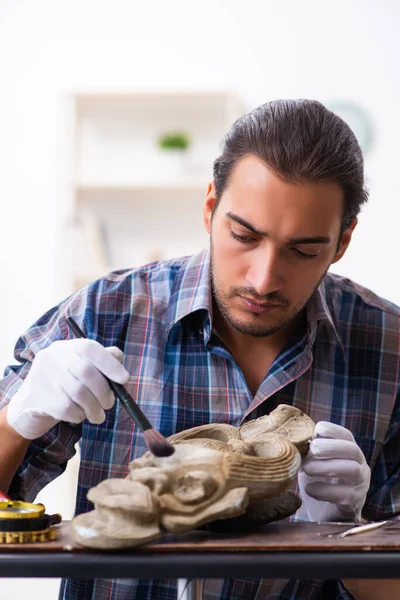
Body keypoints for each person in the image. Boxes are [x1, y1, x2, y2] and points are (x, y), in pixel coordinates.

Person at [0, 99, 399, 600]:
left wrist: (345, 535)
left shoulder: (390, 347)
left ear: (342, 242)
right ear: (210, 207)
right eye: (244, 235)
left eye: (303, 250)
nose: (264, 278)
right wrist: (18, 418)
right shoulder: (107, 312)